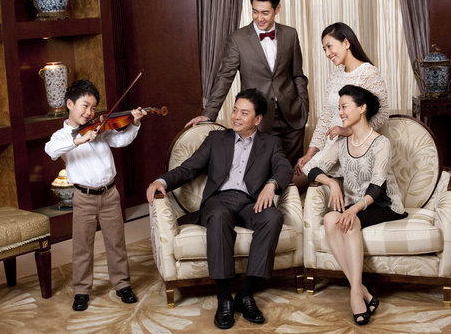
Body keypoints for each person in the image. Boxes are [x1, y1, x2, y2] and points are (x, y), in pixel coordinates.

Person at [147, 88, 293, 330]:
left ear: (257, 119)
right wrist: (160, 181)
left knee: (272, 217)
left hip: (250, 202)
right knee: (217, 215)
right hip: (220, 200)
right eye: (235, 110)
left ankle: (246, 293)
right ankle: (224, 297)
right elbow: (188, 168)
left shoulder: (271, 144)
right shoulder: (216, 139)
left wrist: (272, 183)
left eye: (244, 113)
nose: (236, 116)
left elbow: (284, 169)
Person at [307, 84, 407, 325]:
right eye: (339, 107)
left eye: (344, 107)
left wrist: (353, 209)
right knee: (330, 219)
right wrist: (331, 183)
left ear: (362, 108)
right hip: (356, 204)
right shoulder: (342, 142)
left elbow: (377, 187)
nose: (340, 112)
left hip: (383, 204)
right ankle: (362, 288)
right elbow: (312, 168)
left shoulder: (381, 143)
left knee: (349, 223)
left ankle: (355, 295)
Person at [45, 79, 148, 311]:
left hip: (110, 194)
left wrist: (135, 123)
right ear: (70, 104)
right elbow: (51, 151)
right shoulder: (62, 136)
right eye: (85, 106)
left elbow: (121, 140)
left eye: (93, 107)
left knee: (116, 242)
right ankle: (81, 291)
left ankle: (122, 285)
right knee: (82, 245)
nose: (89, 112)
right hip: (84, 197)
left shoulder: (99, 129)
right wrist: (78, 140)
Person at [185, 0, 308, 165]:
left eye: (265, 12)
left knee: (292, 175)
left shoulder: (290, 34)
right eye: (255, 11)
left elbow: (297, 74)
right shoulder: (238, 39)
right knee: (260, 173)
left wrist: (303, 103)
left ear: (277, 9)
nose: (259, 18)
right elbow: (225, 77)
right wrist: (209, 113)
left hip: (292, 116)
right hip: (257, 118)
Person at [295, 22, 389, 176]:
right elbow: (326, 118)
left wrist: (349, 131)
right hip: (331, 147)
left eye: (330, 46)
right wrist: (309, 154)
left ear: (346, 43)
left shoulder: (368, 73)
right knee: (294, 178)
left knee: (301, 181)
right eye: (324, 49)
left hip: (357, 147)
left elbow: (383, 115)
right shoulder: (334, 77)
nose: (327, 53)